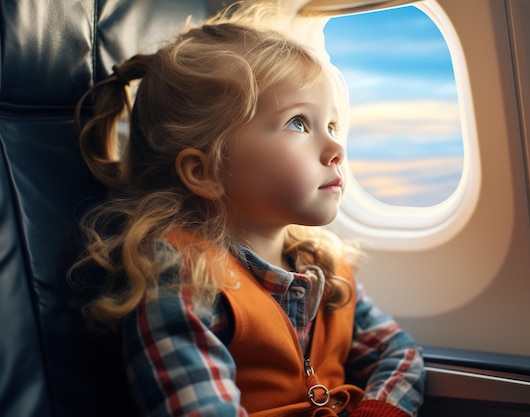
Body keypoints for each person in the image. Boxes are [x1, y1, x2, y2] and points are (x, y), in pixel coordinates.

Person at [71, 4, 425, 416]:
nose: (336, 150)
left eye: (331, 126)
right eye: (298, 123)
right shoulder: (183, 276)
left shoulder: (324, 266)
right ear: (205, 171)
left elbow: (400, 354)